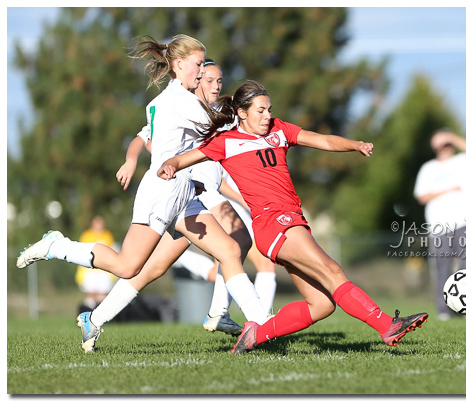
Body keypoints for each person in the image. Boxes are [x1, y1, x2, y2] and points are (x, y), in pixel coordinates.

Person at [16, 35, 269, 352]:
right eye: (198, 65)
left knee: (229, 251)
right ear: (179, 65)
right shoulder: (179, 100)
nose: (202, 72)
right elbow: (220, 129)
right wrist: (252, 113)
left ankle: (261, 325)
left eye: (205, 66)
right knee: (127, 267)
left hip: (184, 195)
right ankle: (58, 245)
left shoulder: (182, 98)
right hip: (161, 193)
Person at [158, 80, 428, 355]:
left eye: (269, 110)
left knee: (321, 305)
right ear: (242, 112)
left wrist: (355, 144)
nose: (267, 116)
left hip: (291, 222)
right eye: (260, 111)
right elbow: (187, 158)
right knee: (332, 270)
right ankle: (386, 325)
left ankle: (255, 335)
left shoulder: (279, 129)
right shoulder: (226, 142)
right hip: (273, 223)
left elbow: (321, 139)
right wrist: (169, 165)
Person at [91, 58, 253, 341]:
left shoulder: (217, 113)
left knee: (152, 267)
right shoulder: (182, 106)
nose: (215, 85)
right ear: (197, 79)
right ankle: (230, 314)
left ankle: (94, 318)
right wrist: (140, 160)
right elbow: (145, 137)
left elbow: (223, 162)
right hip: (191, 192)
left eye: (219, 81)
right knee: (236, 243)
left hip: (193, 196)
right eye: (209, 79)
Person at [413, 129, 466, 321]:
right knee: (442, 269)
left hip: (465, 222)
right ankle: (444, 310)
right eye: (442, 144)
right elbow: (421, 196)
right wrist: (448, 189)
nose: (446, 148)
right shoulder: (428, 168)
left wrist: (451, 136)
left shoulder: (461, 161)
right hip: (439, 226)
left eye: (448, 144)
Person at [219, 170, 278, 313]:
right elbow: (215, 180)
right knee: (263, 264)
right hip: (232, 208)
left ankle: (220, 313)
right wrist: (242, 199)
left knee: (228, 262)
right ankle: (259, 320)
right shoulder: (217, 148)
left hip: (245, 209)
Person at [75, 215, 117, 312]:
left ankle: (101, 314)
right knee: (91, 293)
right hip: (90, 269)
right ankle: (88, 313)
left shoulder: (107, 235)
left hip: (103, 270)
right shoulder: (87, 235)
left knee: (102, 293)